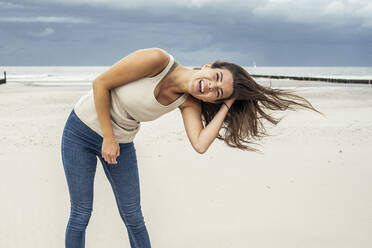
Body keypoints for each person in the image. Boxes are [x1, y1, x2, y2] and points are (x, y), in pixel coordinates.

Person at [61, 48, 320, 248]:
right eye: (216, 77)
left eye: (217, 93)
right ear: (208, 65)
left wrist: (228, 104)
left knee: (133, 215)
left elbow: (200, 144)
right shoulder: (157, 60)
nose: (210, 87)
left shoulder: (189, 103)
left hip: (120, 143)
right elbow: (100, 84)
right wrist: (108, 136)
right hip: (81, 131)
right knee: (82, 212)